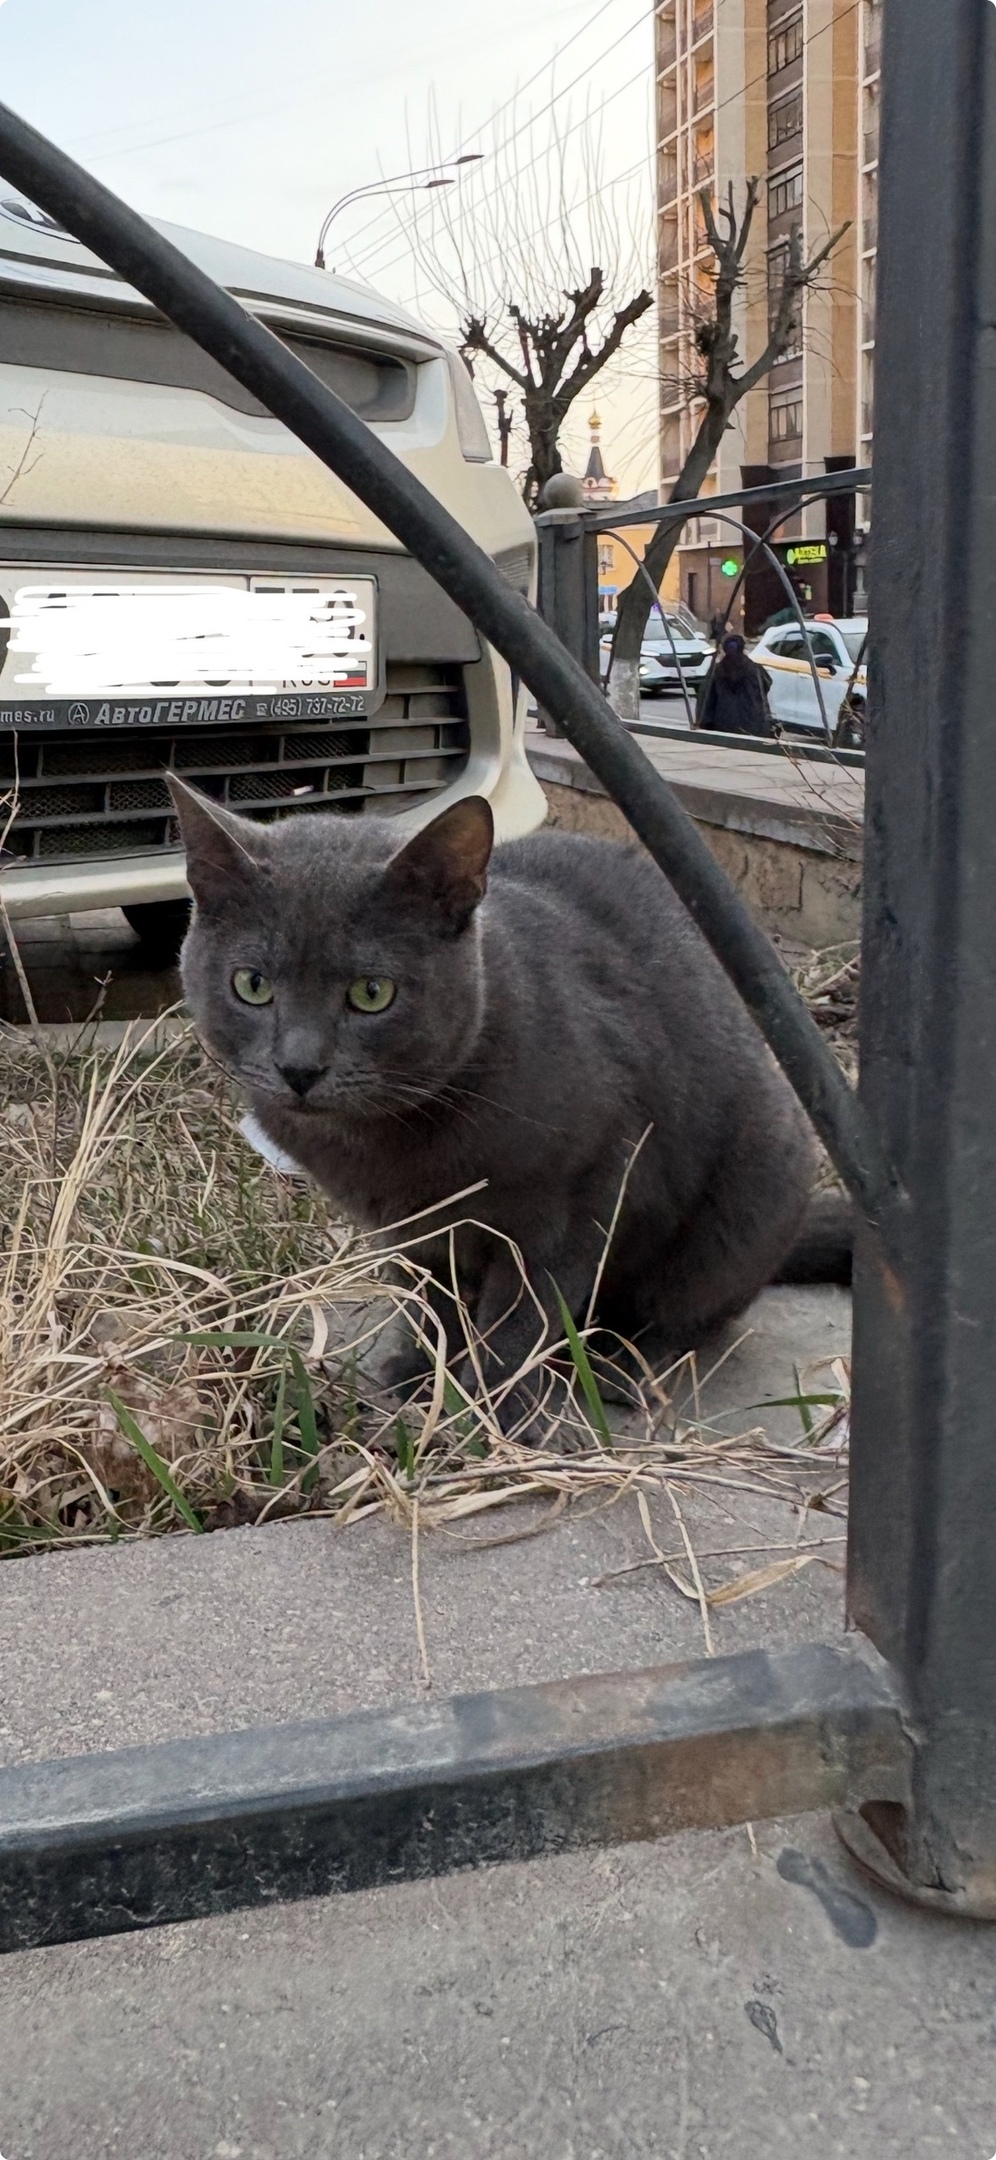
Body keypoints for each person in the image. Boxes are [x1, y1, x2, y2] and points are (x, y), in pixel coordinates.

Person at [696, 634, 774, 737]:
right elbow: (766, 686)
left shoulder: (716, 672)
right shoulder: (755, 670)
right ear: (743, 648)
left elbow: (705, 699)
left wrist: (704, 723)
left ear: (724, 650)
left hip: (722, 725)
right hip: (752, 725)